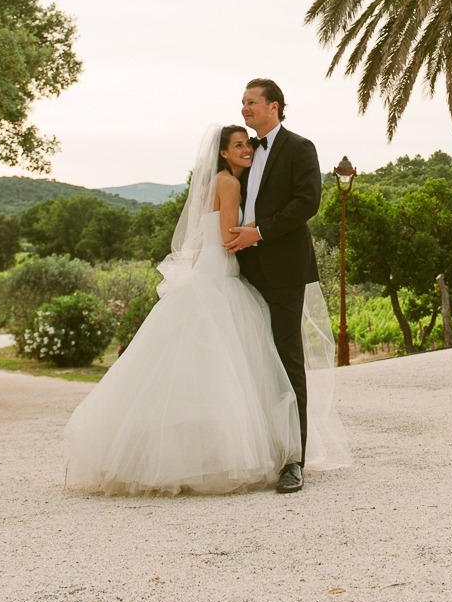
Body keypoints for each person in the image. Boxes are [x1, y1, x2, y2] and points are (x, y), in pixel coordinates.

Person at [63, 124, 302, 495]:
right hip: (219, 275)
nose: (246, 150)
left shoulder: (217, 181)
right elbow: (226, 240)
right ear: (223, 153)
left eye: (247, 145)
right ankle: (219, 456)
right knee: (225, 367)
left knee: (197, 368)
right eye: (238, 145)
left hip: (207, 272)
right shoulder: (230, 184)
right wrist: (258, 230)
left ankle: (178, 456)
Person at [223, 77, 333, 494]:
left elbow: (307, 202)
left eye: (251, 102)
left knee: (288, 360)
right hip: (244, 271)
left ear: (274, 106)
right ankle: (261, 450)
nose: (244, 109)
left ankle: (294, 460)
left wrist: (260, 232)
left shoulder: (300, 148)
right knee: (252, 361)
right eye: (242, 102)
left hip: (284, 270)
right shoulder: (244, 153)